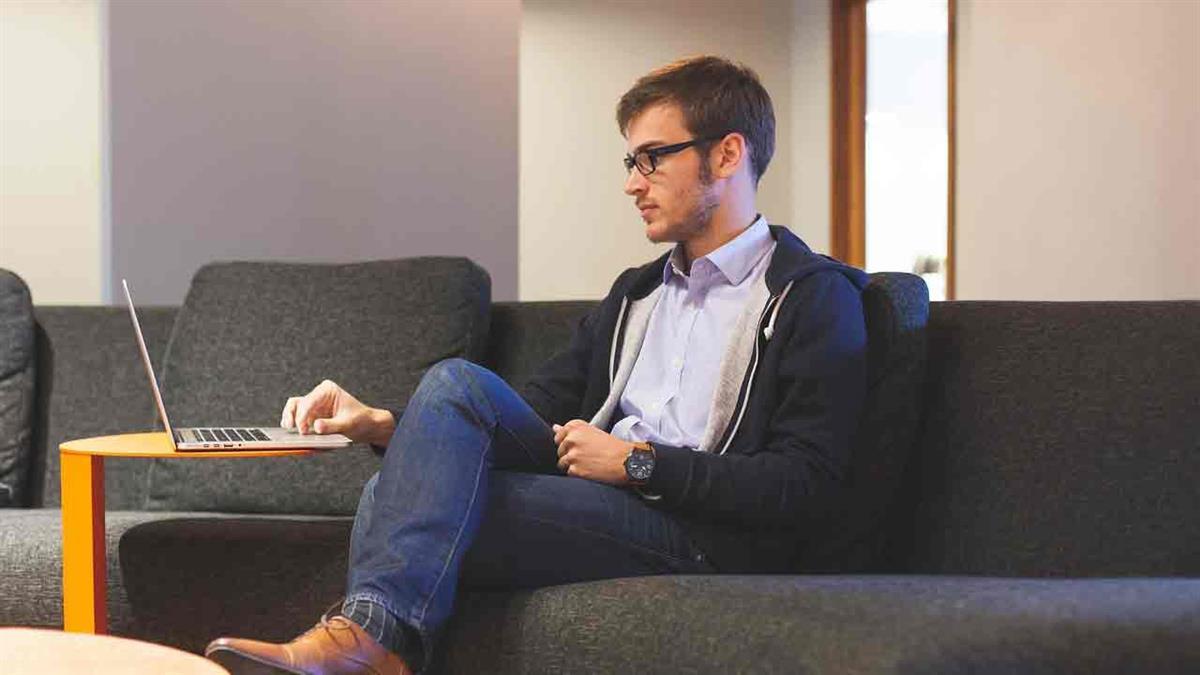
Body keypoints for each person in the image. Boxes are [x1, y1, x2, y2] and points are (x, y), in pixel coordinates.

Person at [205, 55, 868, 675]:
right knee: (450, 394)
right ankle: (373, 645)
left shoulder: (810, 296)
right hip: (603, 499)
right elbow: (528, 409)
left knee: (397, 499)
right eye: (630, 161)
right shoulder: (637, 294)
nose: (632, 183)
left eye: (652, 158)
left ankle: (371, 645)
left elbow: (804, 483)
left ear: (727, 154)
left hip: (702, 534)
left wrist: (637, 463)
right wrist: (382, 423)